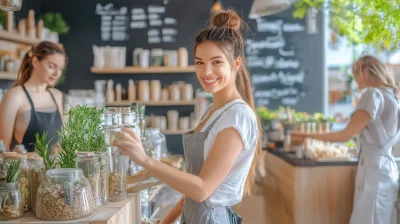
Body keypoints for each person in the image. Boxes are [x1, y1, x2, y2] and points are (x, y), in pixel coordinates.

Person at [114, 9, 261, 224]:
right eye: (200, 62)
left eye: (217, 62)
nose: (206, 72)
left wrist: (144, 159)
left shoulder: (237, 116)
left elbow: (202, 190)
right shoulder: (212, 112)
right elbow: (190, 193)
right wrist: (165, 222)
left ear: (236, 64)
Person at [291, 55, 400, 224]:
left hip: (374, 175)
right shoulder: (393, 96)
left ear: (364, 71)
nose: (354, 80)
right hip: (387, 171)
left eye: (355, 73)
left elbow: (344, 135)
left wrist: (306, 135)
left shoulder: (373, 95)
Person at [0, 41, 67, 152]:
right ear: (35, 61)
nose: (57, 74)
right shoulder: (14, 96)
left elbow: (59, 141)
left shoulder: (56, 95)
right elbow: (2, 150)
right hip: (27, 168)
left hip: (56, 168)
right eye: (51, 66)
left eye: (60, 69)